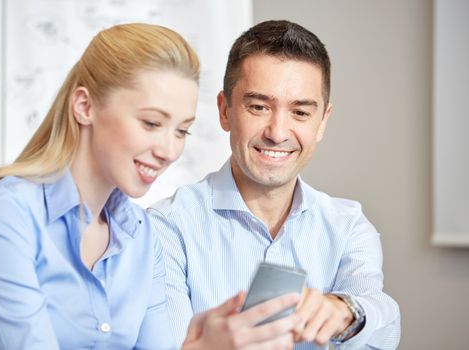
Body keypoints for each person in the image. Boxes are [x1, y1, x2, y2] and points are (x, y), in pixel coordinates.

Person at [0, 23, 305, 350]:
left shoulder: (141, 235)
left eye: (181, 130)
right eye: (151, 123)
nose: (168, 150)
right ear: (85, 106)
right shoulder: (2, 213)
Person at [148, 20, 401, 350]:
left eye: (300, 112)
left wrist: (345, 313)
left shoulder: (348, 228)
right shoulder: (166, 227)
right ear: (225, 111)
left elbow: (383, 327)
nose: (278, 132)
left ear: (322, 121)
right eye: (259, 107)